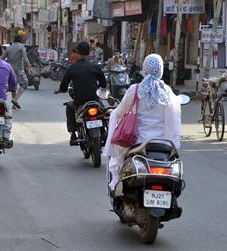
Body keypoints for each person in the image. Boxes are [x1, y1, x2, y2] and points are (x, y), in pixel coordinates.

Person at [103, 54, 181, 191]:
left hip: (137, 143)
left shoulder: (136, 89)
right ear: (161, 69)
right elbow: (175, 116)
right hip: (163, 144)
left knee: (117, 161)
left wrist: (113, 114)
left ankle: (116, 185)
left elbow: (119, 112)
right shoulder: (167, 92)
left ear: (145, 68)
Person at [54, 41, 107, 145]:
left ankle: (73, 133)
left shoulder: (72, 68)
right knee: (104, 112)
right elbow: (103, 85)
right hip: (94, 100)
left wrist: (60, 90)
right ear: (89, 52)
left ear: (77, 52)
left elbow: (64, 86)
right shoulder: (95, 67)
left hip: (79, 102)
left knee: (69, 107)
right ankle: (105, 131)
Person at [2, 35, 32, 109]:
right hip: (19, 70)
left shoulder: (9, 48)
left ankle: (14, 104)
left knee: (13, 86)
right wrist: (29, 67)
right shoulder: (21, 47)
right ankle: (15, 99)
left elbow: (2, 58)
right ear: (21, 41)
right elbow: (25, 59)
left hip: (10, 69)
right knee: (25, 84)